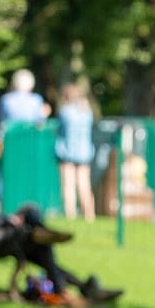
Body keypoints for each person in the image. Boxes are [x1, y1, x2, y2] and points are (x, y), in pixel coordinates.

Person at [0, 142, 120, 305]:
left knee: (32, 216)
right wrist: (8, 220)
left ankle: (75, 285)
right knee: (38, 242)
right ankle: (70, 283)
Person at [0, 69, 51, 179]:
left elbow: (0, 124)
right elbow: (40, 124)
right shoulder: (36, 100)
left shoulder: (5, 100)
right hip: (30, 146)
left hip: (10, 146)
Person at [54, 81, 97, 220]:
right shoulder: (87, 112)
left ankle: (70, 214)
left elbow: (59, 129)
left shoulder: (65, 112)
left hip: (67, 152)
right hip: (84, 153)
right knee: (84, 185)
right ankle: (89, 214)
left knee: (68, 185)